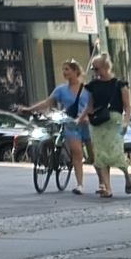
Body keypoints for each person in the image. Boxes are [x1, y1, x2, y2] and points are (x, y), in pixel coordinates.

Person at [22, 61, 88, 194]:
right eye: (63, 69)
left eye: (67, 69)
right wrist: (29, 109)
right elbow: (47, 102)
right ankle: (80, 185)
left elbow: (94, 105)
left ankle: (103, 183)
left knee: (94, 155)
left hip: (87, 123)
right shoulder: (60, 90)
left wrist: (89, 117)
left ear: (75, 71)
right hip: (71, 124)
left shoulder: (87, 89)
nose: (64, 72)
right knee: (77, 152)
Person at [82, 55, 131, 198]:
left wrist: (126, 123)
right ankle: (107, 188)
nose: (94, 71)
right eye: (93, 68)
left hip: (114, 122)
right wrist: (82, 117)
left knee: (116, 153)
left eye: (96, 68)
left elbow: (127, 107)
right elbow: (89, 105)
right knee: (100, 156)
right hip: (98, 123)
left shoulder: (119, 84)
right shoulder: (93, 85)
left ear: (106, 67)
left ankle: (127, 175)